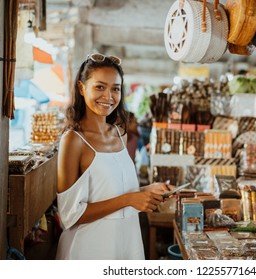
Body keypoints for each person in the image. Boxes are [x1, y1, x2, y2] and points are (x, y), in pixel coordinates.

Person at [55, 53, 171, 260]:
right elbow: (69, 215)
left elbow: (109, 191)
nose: (109, 96)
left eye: (115, 88)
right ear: (82, 88)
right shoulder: (74, 140)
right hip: (90, 248)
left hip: (126, 241)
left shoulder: (119, 133)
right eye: (100, 87)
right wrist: (130, 199)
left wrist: (145, 191)